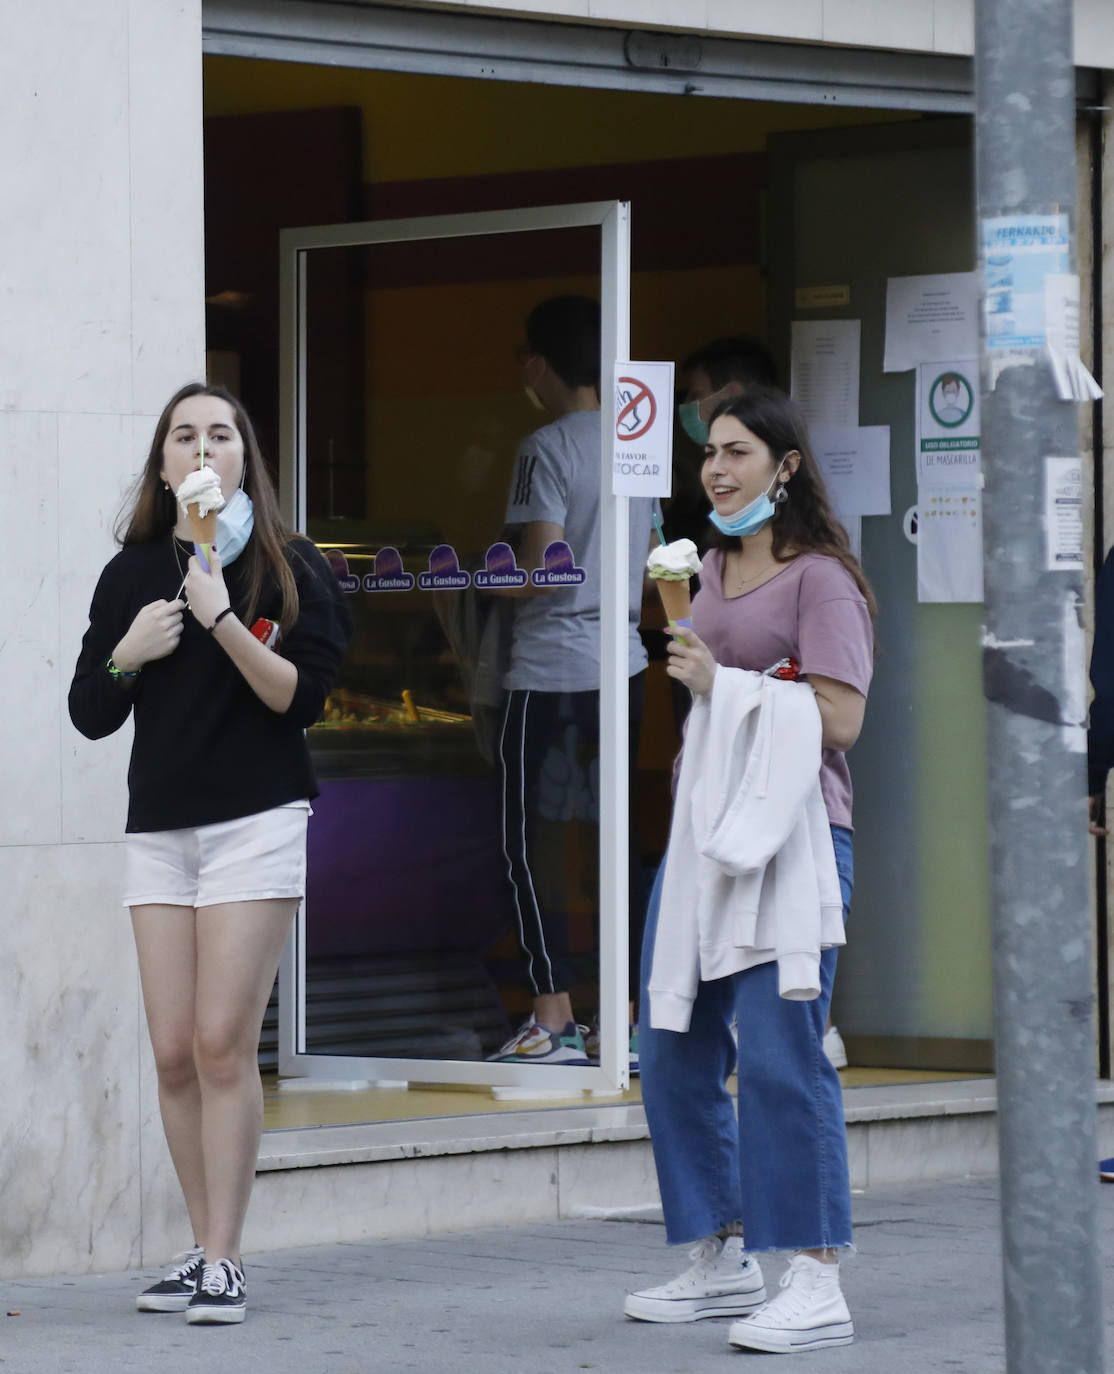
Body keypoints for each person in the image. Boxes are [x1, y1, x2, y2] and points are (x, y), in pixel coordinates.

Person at [68, 383, 351, 1325]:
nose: (201, 449)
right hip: (160, 828)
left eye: (219, 435)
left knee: (224, 1043)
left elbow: (298, 702)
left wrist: (220, 616)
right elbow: (91, 713)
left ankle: (226, 1259)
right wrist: (129, 652)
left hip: (257, 822)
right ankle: (198, 1247)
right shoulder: (130, 575)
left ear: (244, 460)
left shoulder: (292, 565)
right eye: (183, 436)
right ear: (162, 465)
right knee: (174, 1052)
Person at [626, 386, 875, 1354]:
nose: (717, 471)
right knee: (672, 1040)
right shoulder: (705, 573)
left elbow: (842, 720)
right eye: (708, 456)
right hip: (700, 839)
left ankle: (814, 1274)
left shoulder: (822, 580)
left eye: (737, 452)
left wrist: (720, 683)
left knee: (779, 1053)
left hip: (796, 840)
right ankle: (722, 1253)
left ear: (786, 466)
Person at [487, 295, 656, 1067]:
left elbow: (546, 568)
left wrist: (480, 579)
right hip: (624, 666)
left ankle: (551, 1014)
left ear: (538, 364)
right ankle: (618, 1016)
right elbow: (654, 564)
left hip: (551, 669)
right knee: (612, 842)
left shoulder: (544, 446)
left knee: (532, 843)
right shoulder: (636, 442)